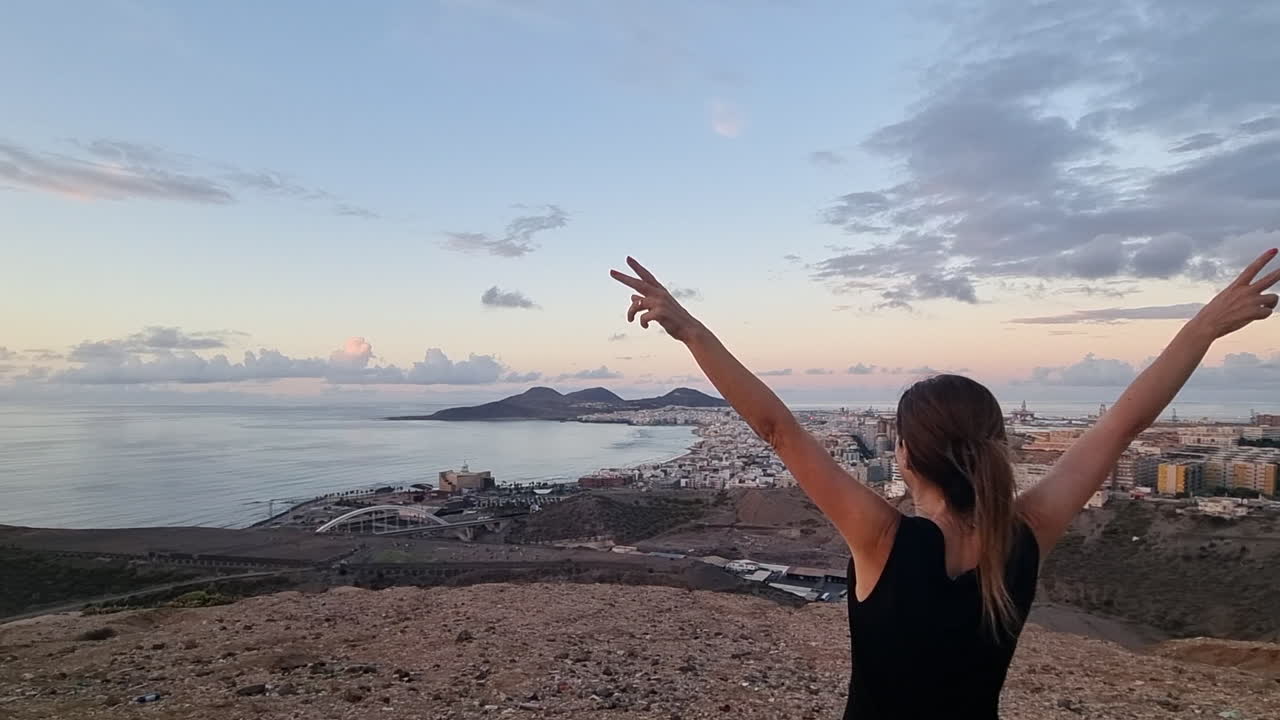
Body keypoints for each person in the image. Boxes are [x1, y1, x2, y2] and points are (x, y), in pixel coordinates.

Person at [610, 250, 1279, 719]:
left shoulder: (882, 539)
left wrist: (689, 329)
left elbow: (776, 429)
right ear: (994, 445)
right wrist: (1203, 329)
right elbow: (1127, 421)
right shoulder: (1025, 536)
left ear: (904, 456)